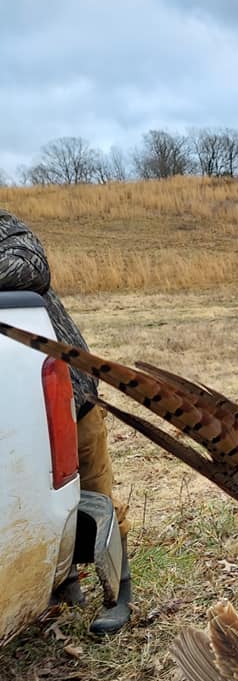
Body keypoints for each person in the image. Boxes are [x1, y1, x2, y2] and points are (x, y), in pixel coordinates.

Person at [0, 208, 132, 635]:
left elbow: (31, 267)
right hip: (16, 402)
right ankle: (63, 583)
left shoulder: (5, 226)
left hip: (72, 392)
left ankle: (120, 592)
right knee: (39, 496)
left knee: (96, 497)